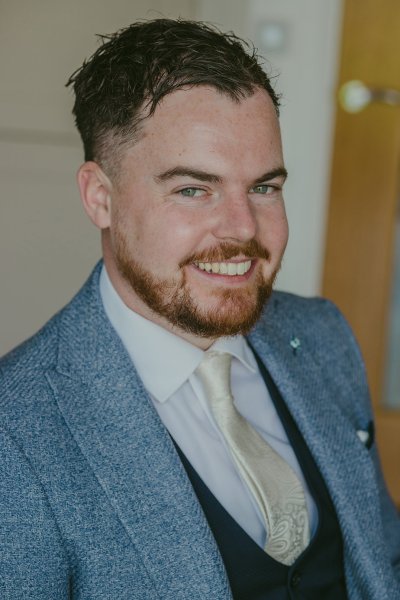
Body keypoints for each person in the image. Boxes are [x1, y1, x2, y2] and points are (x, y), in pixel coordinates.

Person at [0, 18, 399, 600]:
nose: (243, 229)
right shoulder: (17, 430)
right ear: (100, 198)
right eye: (193, 189)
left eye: (264, 187)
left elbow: (382, 558)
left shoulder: (321, 334)